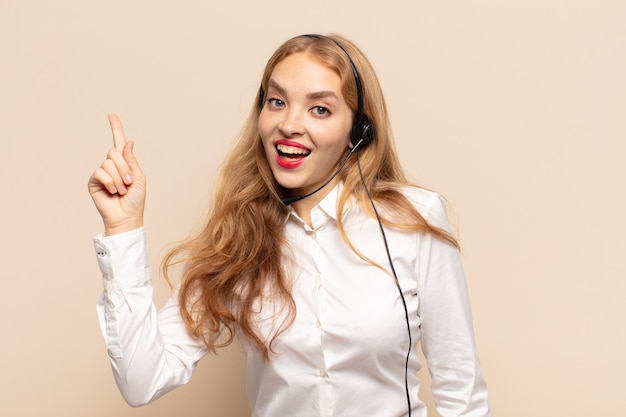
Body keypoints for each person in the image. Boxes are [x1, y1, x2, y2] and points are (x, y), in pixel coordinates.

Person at [88, 34, 491, 417]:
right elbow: (141, 382)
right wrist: (124, 228)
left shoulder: (413, 219)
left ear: (359, 129)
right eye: (277, 101)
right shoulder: (238, 236)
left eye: (320, 109)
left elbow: (461, 391)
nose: (289, 124)